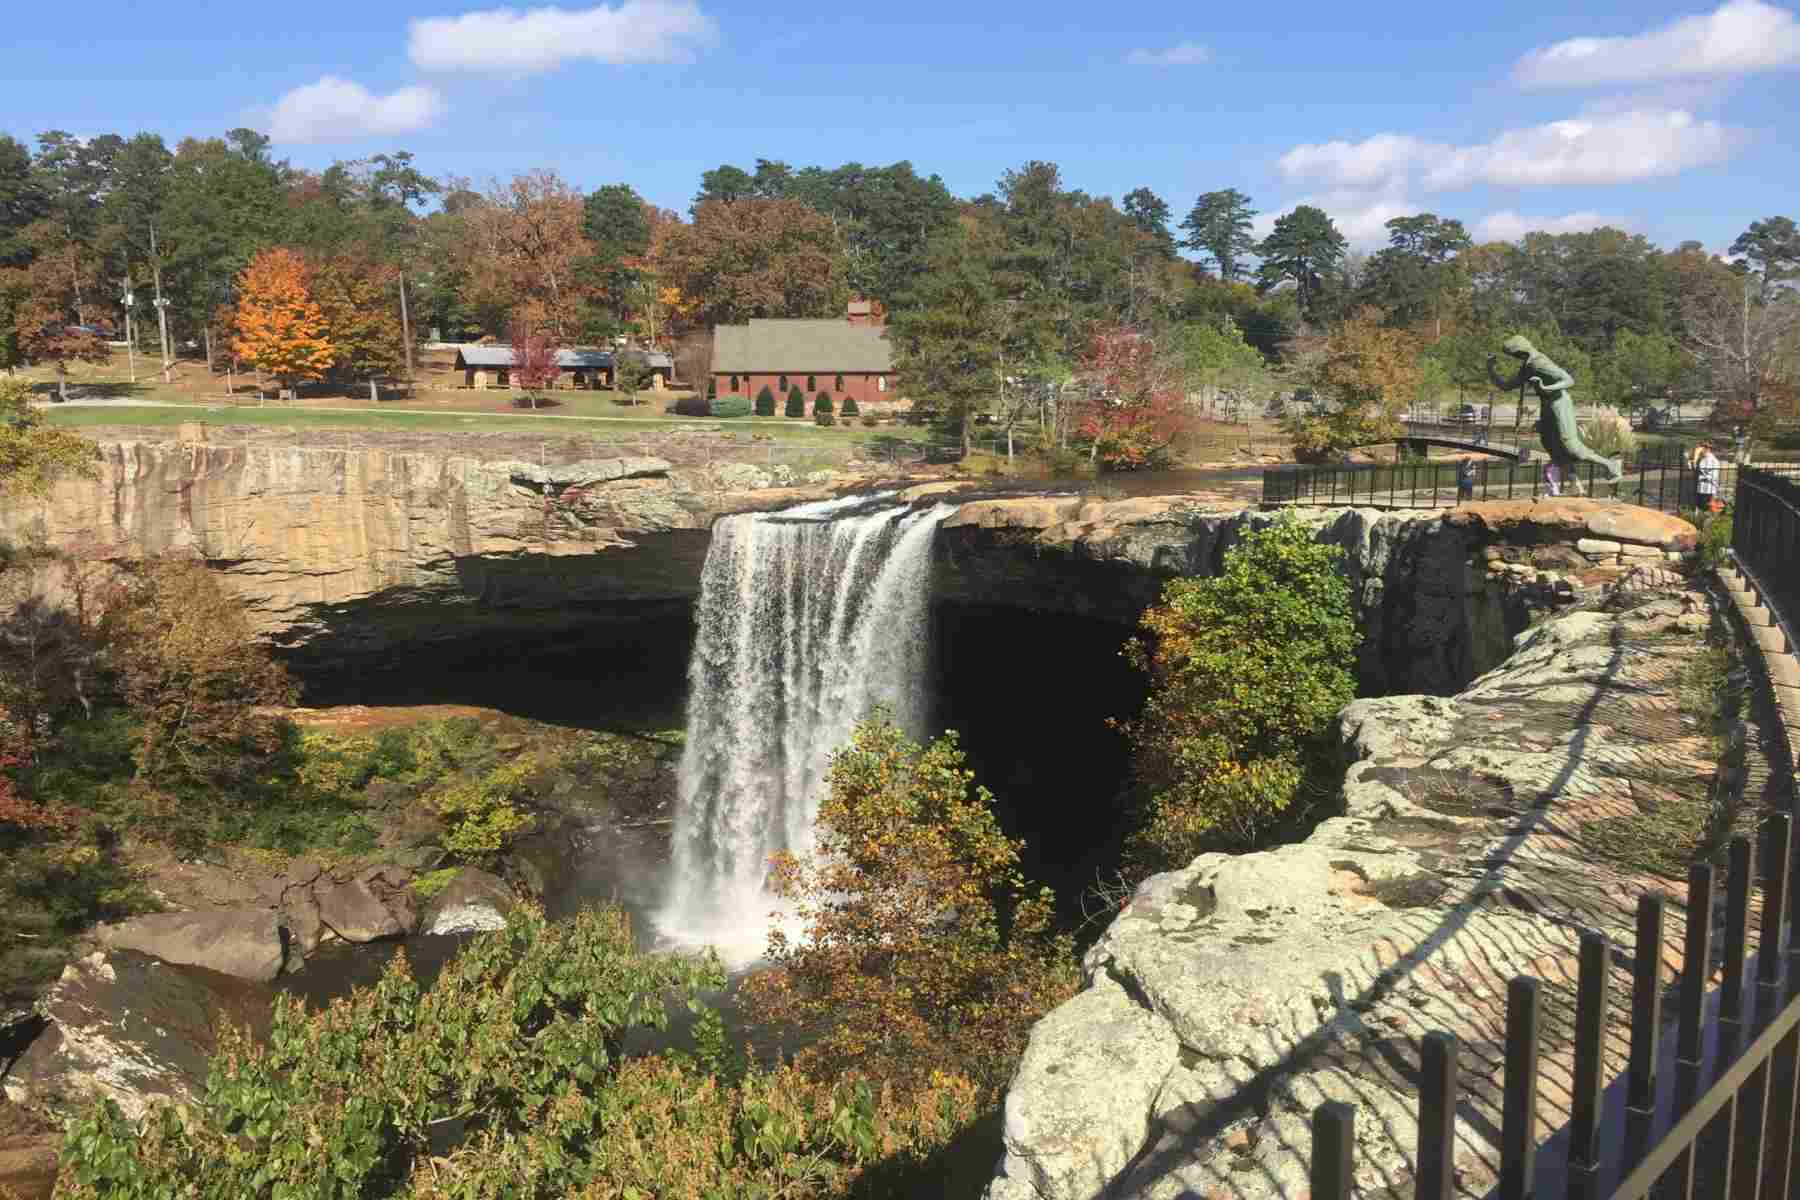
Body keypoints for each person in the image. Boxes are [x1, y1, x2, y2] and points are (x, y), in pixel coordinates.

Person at [1695, 441, 1721, 513]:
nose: (1699, 450)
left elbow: (1714, 476)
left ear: (1707, 449)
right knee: (1700, 507)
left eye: (1701, 448)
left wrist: (1701, 477)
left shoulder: (1713, 461)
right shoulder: (1702, 459)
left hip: (1708, 489)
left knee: (1706, 509)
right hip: (1701, 488)